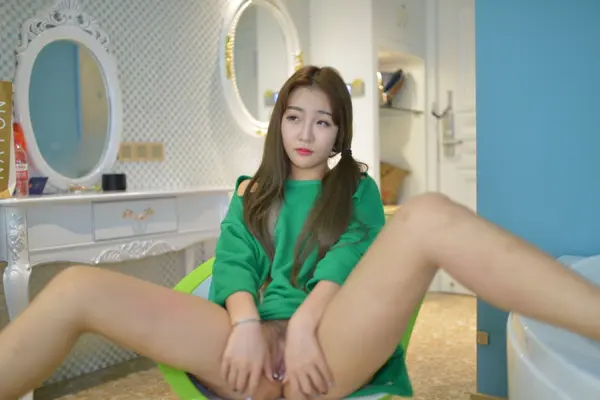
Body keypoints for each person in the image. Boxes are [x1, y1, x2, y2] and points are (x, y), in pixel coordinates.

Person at [0, 65, 599, 400]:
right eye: (293, 117)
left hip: (331, 343)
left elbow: (349, 257)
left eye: (322, 121)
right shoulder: (251, 191)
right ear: (279, 124)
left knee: (430, 213)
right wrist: (244, 327)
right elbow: (233, 263)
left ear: (339, 133)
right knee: (75, 286)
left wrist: (308, 326)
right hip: (249, 346)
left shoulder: (356, 188)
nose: (305, 134)